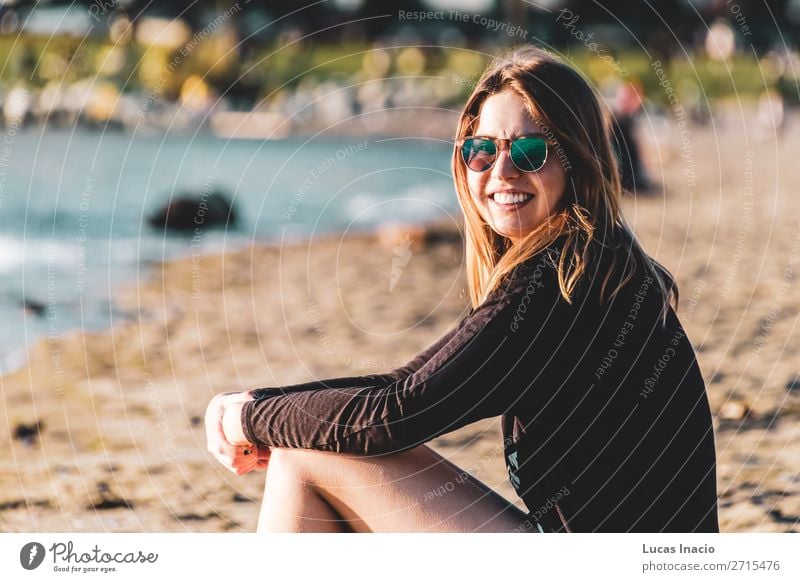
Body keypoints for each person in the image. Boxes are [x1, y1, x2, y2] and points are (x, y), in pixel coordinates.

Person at [205, 46, 719, 533]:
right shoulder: (593, 261)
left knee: (304, 458)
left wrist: (248, 418)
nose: (501, 171)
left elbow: (398, 414)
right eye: (481, 150)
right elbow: (403, 385)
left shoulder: (559, 284)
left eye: (531, 150)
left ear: (577, 161)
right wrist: (260, 406)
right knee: (310, 445)